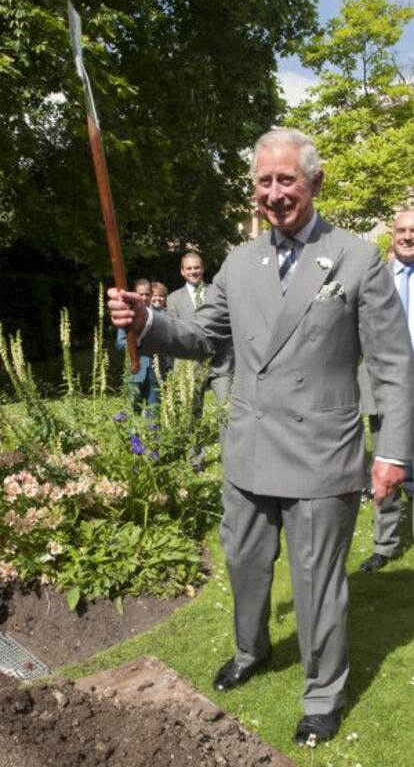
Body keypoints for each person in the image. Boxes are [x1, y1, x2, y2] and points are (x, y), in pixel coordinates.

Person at [108, 128, 414, 746]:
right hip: (248, 446)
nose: (274, 194)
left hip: (319, 454)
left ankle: (323, 693)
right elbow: (201, 337)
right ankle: (251, 649)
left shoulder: (357, 258)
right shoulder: (239, 262)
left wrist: (392, 453)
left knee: (316, 579)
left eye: (286, 181)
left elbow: (393, 365)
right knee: (245, 562)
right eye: (263, 182)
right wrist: (146, 319)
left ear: (314, 183)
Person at [359, 209, 414, 572]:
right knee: (384, 463)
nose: (408, 235)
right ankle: (385, 545)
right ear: (391, 234)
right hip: (388, 387)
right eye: (401, 230)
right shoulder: (375, 277)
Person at [167, 251, 234, 407]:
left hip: (220, 363)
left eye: (196, 267)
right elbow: (175, 332)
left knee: (227, 411)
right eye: (189, 268)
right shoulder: (173, 299)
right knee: (190, 415)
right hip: (190, 365)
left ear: (203, 269)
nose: (193, 271)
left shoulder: (218, 293)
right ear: (182, 271)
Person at [115, 278, 169, 415]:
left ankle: (154, 436)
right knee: (132, 413)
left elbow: (169, 342)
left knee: (155, 414)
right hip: (135, 372)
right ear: (135, 294)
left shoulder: (162, 315)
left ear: (151, 295)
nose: (144, 297)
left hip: (157, 373)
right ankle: (132, 437)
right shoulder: (127, 315)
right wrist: (138, 346)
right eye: (141, 294)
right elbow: (120, 344)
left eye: (147, 294)